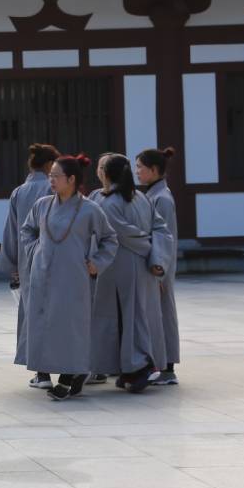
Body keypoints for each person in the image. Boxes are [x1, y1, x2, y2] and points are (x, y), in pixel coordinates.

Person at [17, 154, 119, 400]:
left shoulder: (89, 209)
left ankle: (67, 377)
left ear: (71, 179)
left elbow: (110, 239)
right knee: (47, 325)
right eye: (50, 175)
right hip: (43, 276)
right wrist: (36, 250)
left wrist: (96, 263)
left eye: (56, 176)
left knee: (71, 328)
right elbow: (27, 230)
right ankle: (58, 374)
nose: (51, 180)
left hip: (73, 278)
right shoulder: (42, 204)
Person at [89, 153, 173, 393]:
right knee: (140, 316)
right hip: (144, 266)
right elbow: (160, 229)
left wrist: (147, 249)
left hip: (121, 266)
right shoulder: (141, 198)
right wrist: (156, 257)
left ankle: (138, 367)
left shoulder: (108, 202)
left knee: (125, 318)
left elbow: (124, 234)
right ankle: (133, 368)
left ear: (106, 173)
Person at [0, 143, 60, 390]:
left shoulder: (20, 192)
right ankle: (73, 368)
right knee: (61, 313)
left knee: (34, 315)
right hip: (57, 261)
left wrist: (12, 263)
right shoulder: (56, 188)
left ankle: (42, 372)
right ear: (48, 166)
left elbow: (12, 231)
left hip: (28, 262)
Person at [136, 147, 181, 385]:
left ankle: (167, 367)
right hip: (155, 266)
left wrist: (160, 269)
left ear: (154, 170)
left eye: (140, 168)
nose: (137, 172)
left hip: (159, 267)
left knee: (163, 315)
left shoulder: (161, 198)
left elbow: (164, 238)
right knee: (157, 314)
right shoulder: (153, 195)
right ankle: (160, 364)